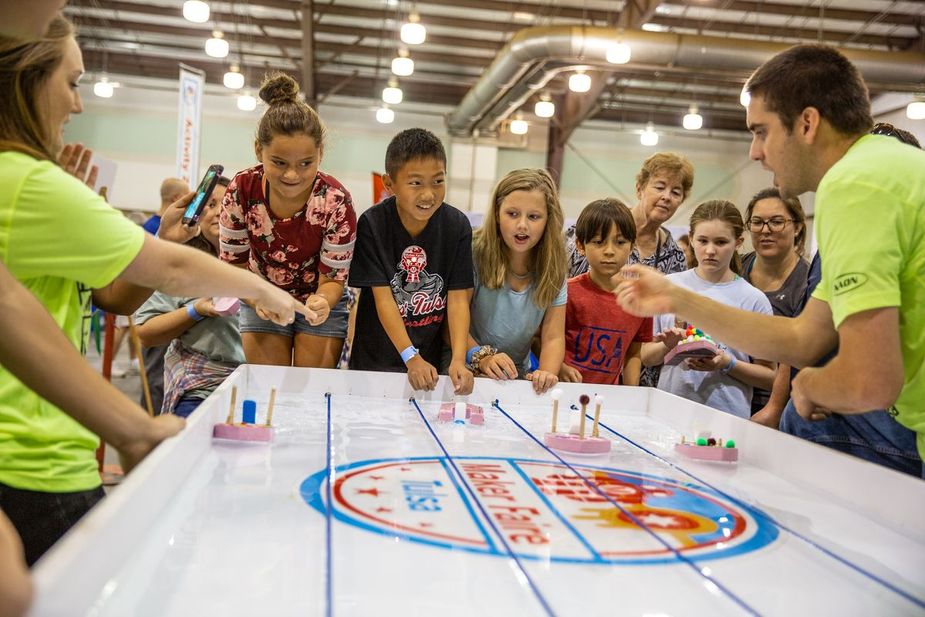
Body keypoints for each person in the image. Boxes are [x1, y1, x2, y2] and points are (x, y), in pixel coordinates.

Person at [0, 16, 309, 565]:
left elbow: (111, 298)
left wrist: (165, 237)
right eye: (71, 83)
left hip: (51, 446)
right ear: (28, 80)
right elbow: (168, 271)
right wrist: (266, 290)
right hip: (28, 454)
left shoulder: (33, 182)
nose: (77, 105)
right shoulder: (26, 181)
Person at [617, 44, 925, 475]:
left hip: (908, 426)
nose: (753, 152)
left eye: (761, 131)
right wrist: (676, 298)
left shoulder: (856, 184)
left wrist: (810, 386)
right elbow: (805, 338)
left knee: (799, 423)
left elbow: (869, 379)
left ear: (807, 123)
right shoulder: (890, 166)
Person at [220, 72, 357, 369]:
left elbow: (333, 279)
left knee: (311, 397)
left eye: (305, 163)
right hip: (259, 293)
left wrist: (323, 301)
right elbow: (234, 265)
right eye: (279, 163)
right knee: (268, 386)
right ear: (259, 150)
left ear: (320, 153)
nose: (292, 175)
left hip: (320, 301)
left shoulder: (335, 201)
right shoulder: (241, 190)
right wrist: (259, 299)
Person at [348, 128, 474, 395]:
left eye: (438, 181)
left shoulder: (457, 226)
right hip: (375, 362)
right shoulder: (373, 224)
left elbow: (458, 299)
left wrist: (459, 359)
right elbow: (384, 300)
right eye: (416, 183)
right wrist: (410, 356)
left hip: (428, 366)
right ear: (389, 183)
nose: (429, 194)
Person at [566, 152, 693, 387]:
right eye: (660, 187)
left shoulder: (676, 256)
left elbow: (668, 319)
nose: (666, 197)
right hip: (577, 370)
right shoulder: (594, 226)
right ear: (639, 188)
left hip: (638, 374)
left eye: (676, 192)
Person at [641, 200, 776, 418]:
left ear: (738, 242)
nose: (710, 250)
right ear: (691, 237)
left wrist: (727, 363)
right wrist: (667, 346)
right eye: (702, 241)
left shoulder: (753, 300)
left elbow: (770, 377)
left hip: (726, 420)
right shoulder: (669, 287)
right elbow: (646, 357)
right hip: (669, 415)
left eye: (721, 242)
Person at [136, 177, 244, 417]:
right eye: (210, 205)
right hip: (200, 392)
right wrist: (196, 310)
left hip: (252, 391)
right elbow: (145, 333)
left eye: (227, 204)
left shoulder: (264, 266)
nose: (219, 213)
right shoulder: (183, 266)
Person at [466, 168, 566, 394]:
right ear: (496, 214)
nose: (522, 225)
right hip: (466, 371)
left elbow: (553, 336)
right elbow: (452, 325)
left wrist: (546, 374)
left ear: (548, 219)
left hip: (517, 378)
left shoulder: (555, 265)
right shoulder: (474, 252)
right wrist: (482, 358)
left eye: (533, 216)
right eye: (512, 214)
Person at [560, 198, 652, 385]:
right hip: (564, 393)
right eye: (599, 242)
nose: (609, 251)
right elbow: (542, 339)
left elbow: (634, 351)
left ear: (632, 245)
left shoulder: (639, 299)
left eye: (620, 242)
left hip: (608, 400)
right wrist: (560, 367)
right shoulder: (567, 292)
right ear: (580, 245)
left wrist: (630, 394)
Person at [741, 188, 809, 423]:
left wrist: (775, 410)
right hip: (728, 391)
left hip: (772, 404)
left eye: (777, 222)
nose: (765, 230)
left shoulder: (808, 283)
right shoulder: (734, 269)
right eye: (757, 222)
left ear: (798, 226)